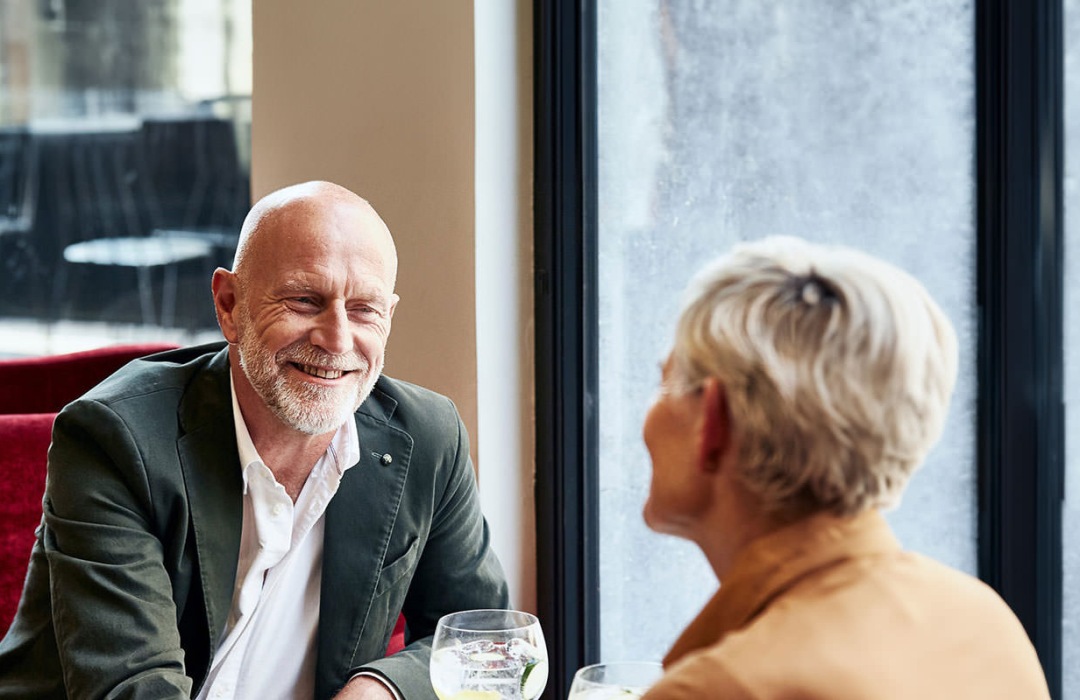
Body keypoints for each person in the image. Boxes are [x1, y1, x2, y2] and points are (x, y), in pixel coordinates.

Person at [0, 181, 509, 699]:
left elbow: (483, 639)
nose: (336, 339)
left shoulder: (427, 436)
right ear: (229, 304)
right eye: (305, 300)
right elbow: (133, 689)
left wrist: (381, 688)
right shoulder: (116, 440)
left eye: (363, 310)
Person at [638, 236, 1051, 699]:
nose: (646, 419)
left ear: (712, 421)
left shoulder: (722, 688)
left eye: (664, 385)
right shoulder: (981, 619)